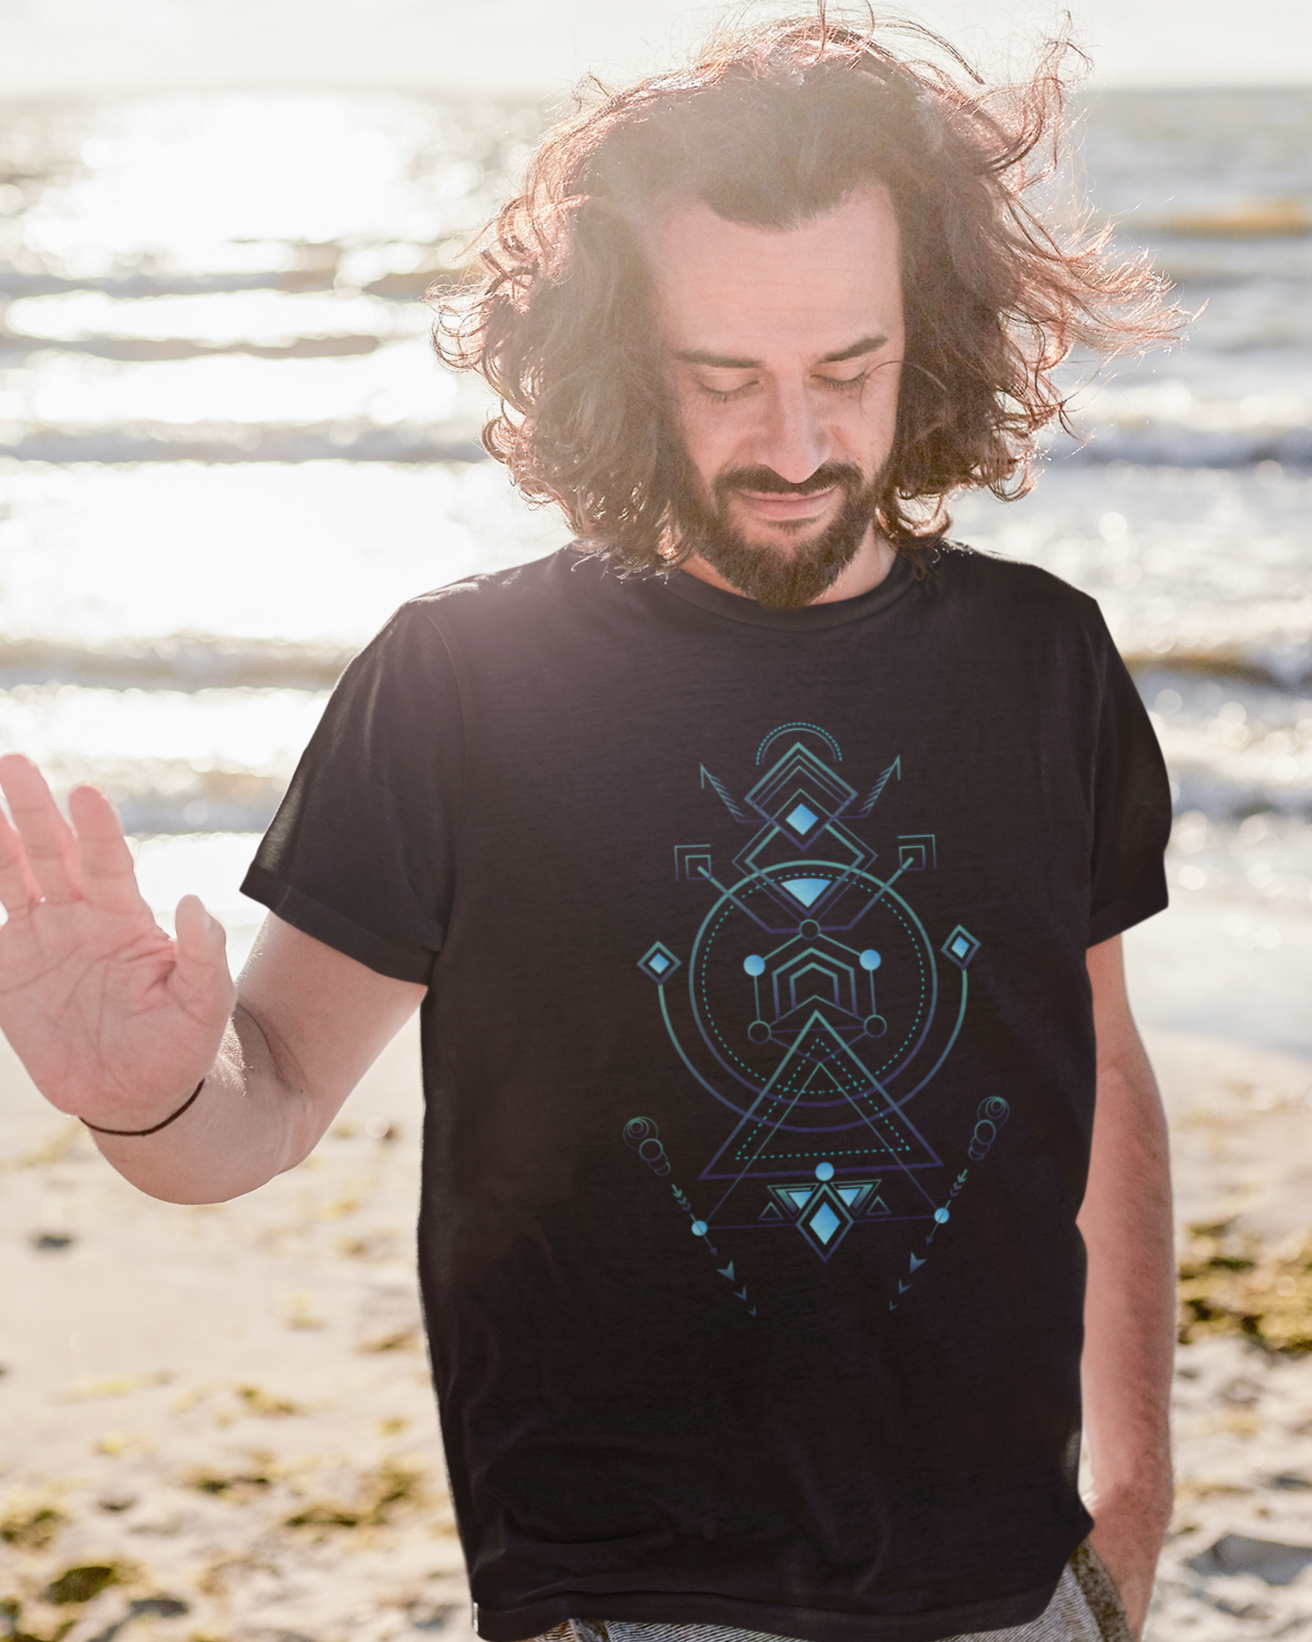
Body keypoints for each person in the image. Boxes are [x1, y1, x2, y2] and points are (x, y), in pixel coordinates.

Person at [0, 13, 1180, 1642]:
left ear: (935, 336)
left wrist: (1130, 1509)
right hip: (629, 1599)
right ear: (622, 357)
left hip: (1014, 1595)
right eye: (724, 380)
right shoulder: (462, 685)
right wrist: (140, 1101)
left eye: (850, 370)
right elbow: (258, 1100)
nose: (793, 443)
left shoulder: (1045, 662)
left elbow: (1104, 1077)